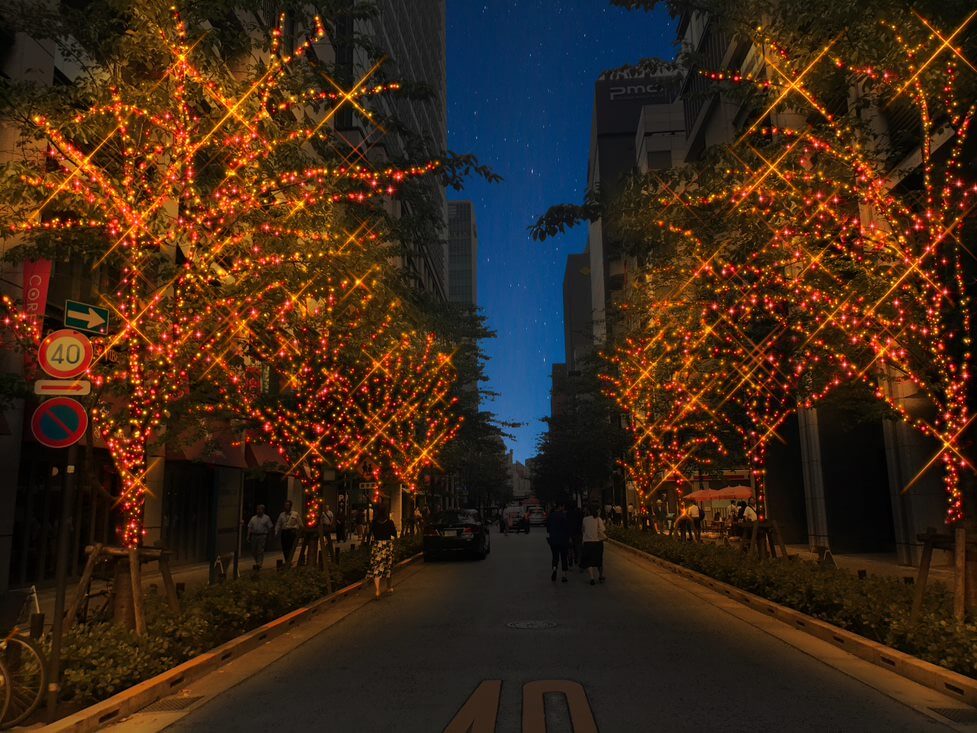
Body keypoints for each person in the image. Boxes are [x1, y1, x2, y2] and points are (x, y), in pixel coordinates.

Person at [368, 505, 398, 600]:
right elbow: (394, 534)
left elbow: (370, 533)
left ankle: (377, 590)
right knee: (388, 566)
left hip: (377, 545)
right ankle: (388, 587)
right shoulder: (389, 522)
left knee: (377, 567)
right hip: (387, 545)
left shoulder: (374, 523)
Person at [581, 504, 607, 585]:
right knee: (599, 560)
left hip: (587, 542)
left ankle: (591, 577)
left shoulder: (585, 519)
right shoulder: (598, 519)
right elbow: (603, 530)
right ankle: (600, 576)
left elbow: (583, 530)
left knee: (589, 561)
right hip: (597, 542)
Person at [545, 502, 570, 583]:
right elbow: (567, 528)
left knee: (555, 557)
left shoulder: (551, 516)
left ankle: (555, 569)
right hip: (563, 540)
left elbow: (548, 528)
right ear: (561, 506)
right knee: (563, 558)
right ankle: (564, 575)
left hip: (553, 540)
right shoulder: (563, 516)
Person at [247, 505, 274, 570]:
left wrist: (270, 536)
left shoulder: (266, 518)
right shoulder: (253, 518)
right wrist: (248, 536)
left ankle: (259, 563)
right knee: (253, 551)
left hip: (262, 535)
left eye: (260, 509)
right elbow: (249, 527)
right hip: (254, 535)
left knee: (260, 550)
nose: (258, 511)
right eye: (257, 509)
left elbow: (270, 527)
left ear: (263, 510)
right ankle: (257, 561)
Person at [274, 500, 301, 566]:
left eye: (288, 505)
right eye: (285, 505)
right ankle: (287, 560)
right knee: (284, 547)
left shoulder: (295, 514)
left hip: (292, 532)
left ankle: (289, 560)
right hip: (284, 532)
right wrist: (276, 531)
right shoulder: (281, 514)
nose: (286, 506)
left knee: (291, 547)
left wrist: (299, 532)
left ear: (290, 506)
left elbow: (300, 523)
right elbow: (278, 523)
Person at [567, 503, 583, 570]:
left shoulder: (567, 514)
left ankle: (570, 560)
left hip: (569, 534)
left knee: (570, 548)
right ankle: (578, 562)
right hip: (578, 533)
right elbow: (582, 523)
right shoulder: (579, 514)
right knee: (578, 549)